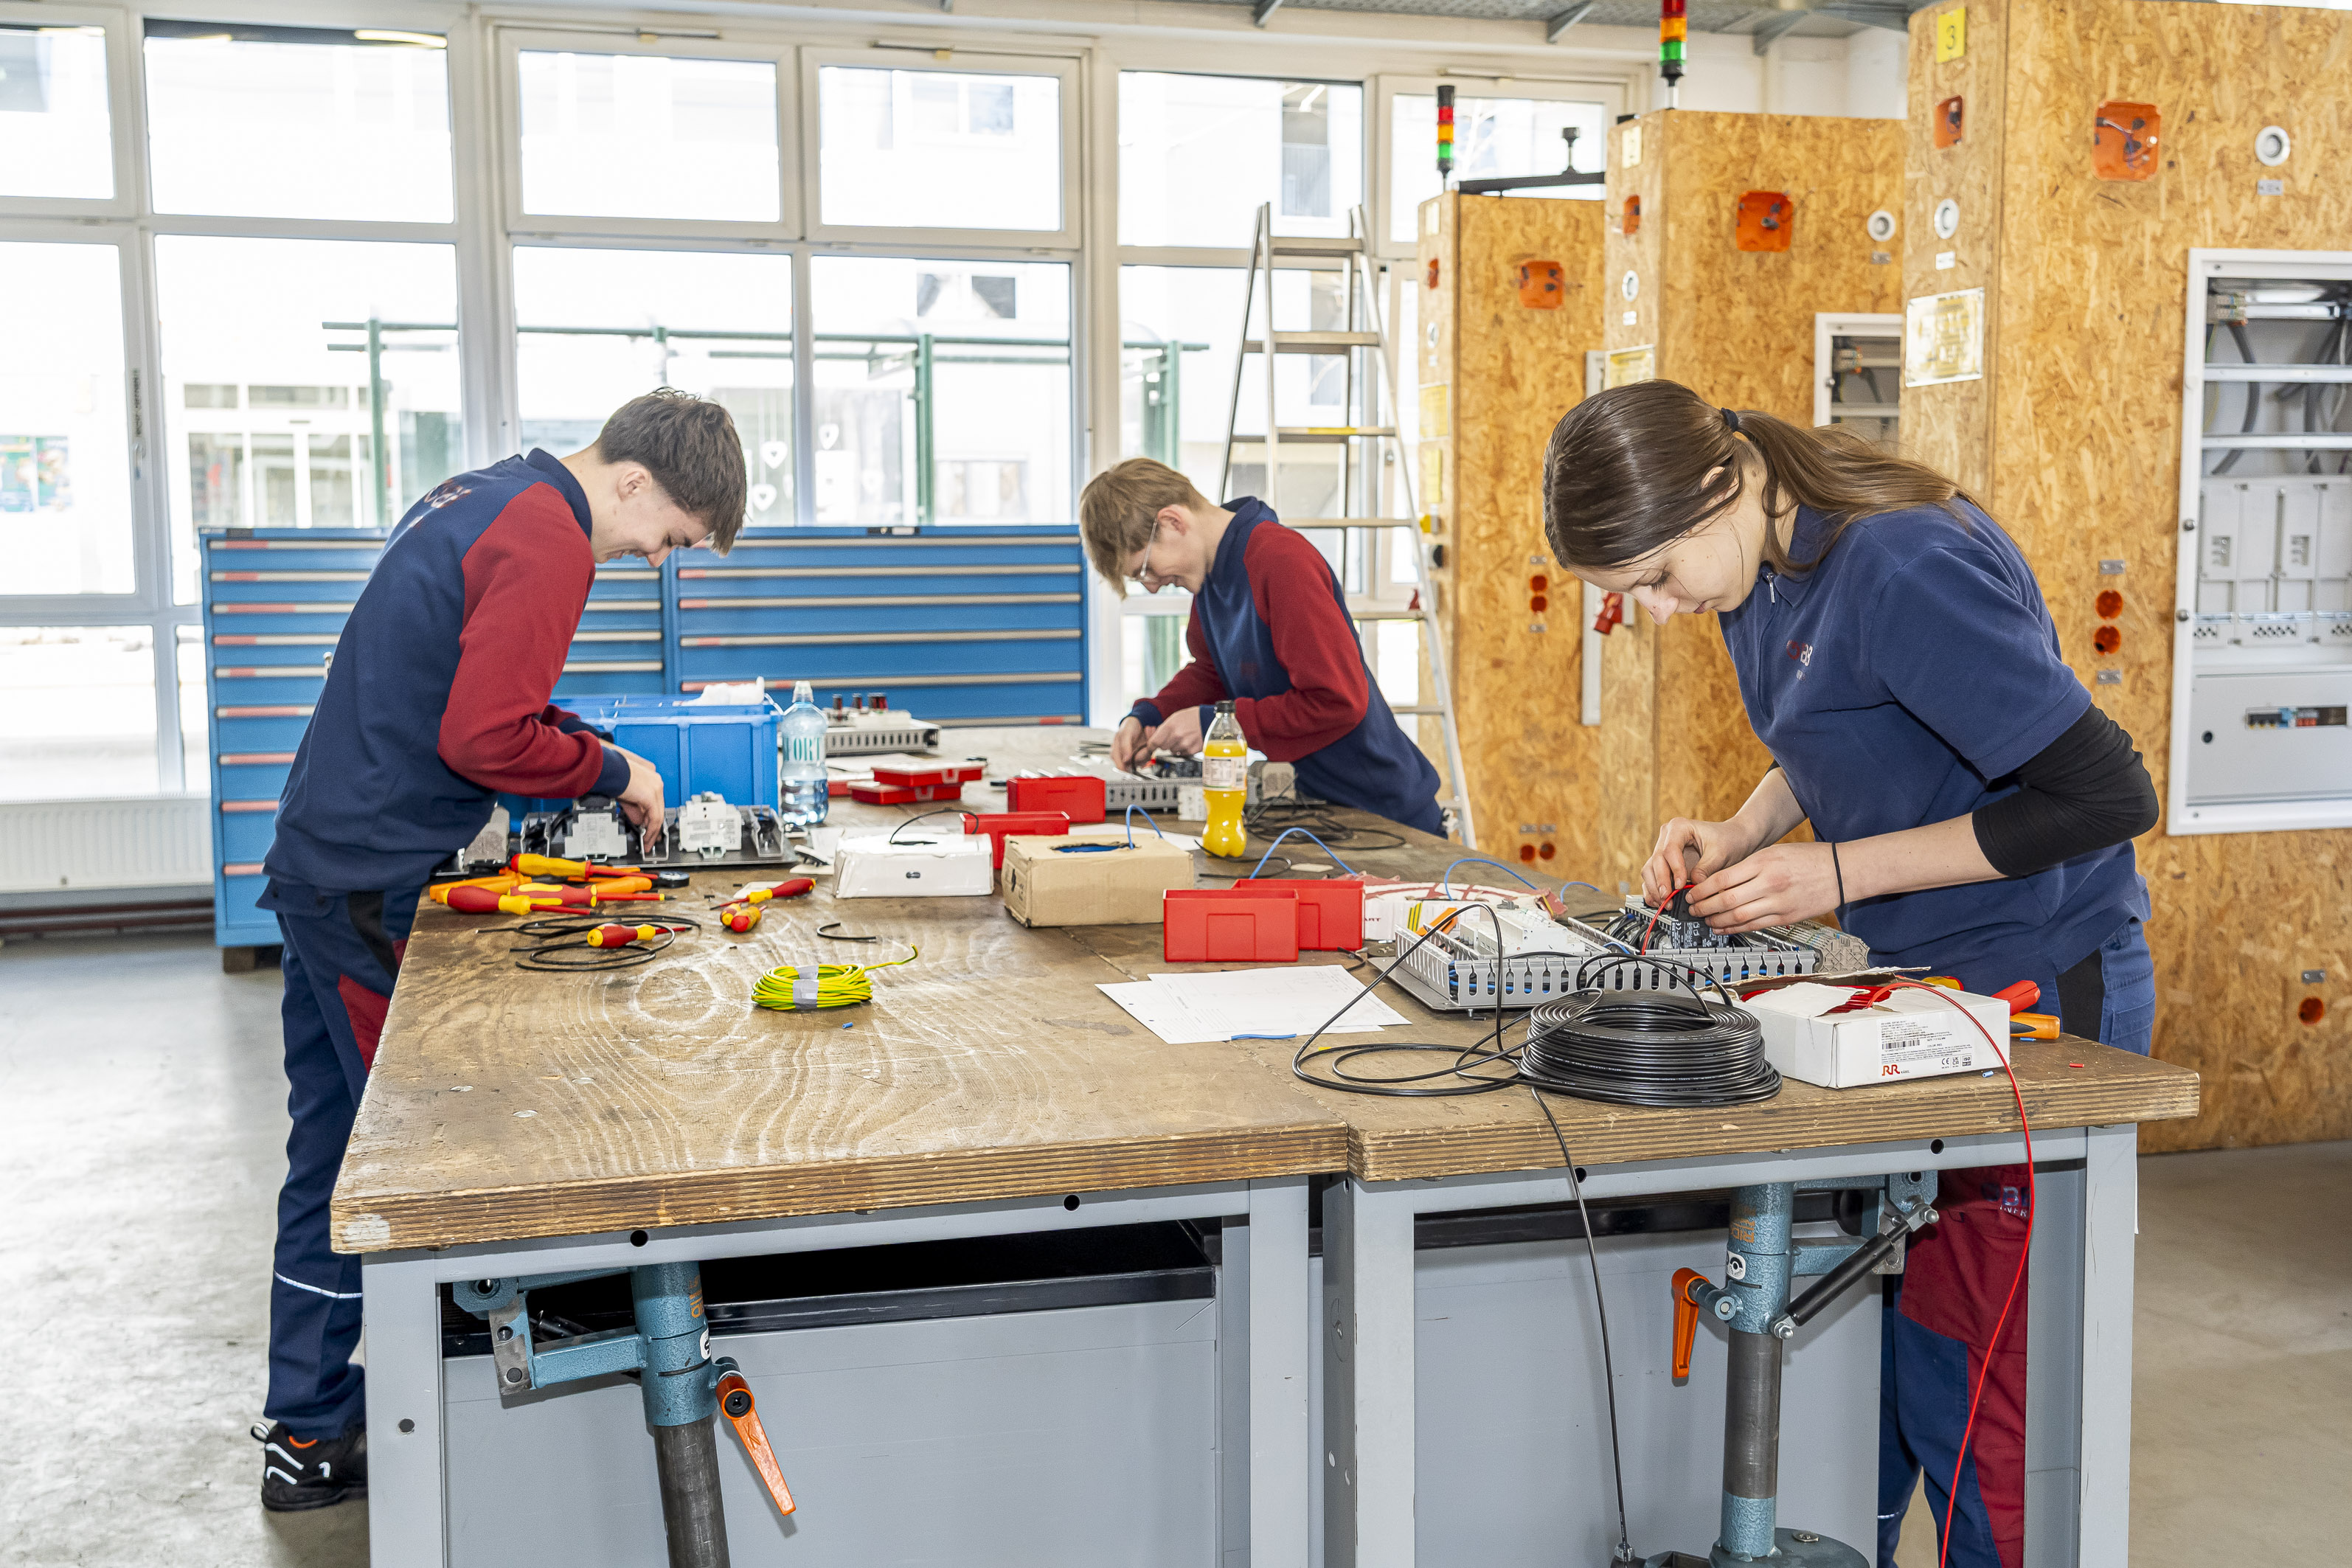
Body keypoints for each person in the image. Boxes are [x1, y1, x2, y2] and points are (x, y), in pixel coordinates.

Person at [1539, 380, 2158, 1568]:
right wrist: (1742, 831)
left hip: (2030, 991)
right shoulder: (1762, 563)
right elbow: (1827, 731)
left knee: (1979, 1391)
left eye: (1656, 577)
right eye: (1631, 598)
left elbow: (2102, 797)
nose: (1662, 611)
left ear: (1714, 487)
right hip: (1917, 991)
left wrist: (1839, 874)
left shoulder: (1901, 565)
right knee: (1886, 1369)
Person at [249, 389, 747, 1511]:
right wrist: (615, 772)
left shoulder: (491, 492)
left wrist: (582, 741)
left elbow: (479, 692)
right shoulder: (548, 536)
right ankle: (410, 1426)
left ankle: (308, 1425)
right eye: (664, 536)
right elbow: (482, 733)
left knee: (333, 1151)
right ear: (632, 482)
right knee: (421, 1160)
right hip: (365, 878)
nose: (648, 557)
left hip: (330, 861)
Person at [1078, 457, 1444, 836]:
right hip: (1319, 806)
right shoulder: (1211, 576)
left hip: (1384, 814)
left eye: (1145, 570)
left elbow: (1338, 702)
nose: (1152, 585)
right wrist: (1150, 713)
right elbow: (1213, 672)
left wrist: (1216, 725)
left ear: (1173, 522)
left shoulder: (1282, 562)